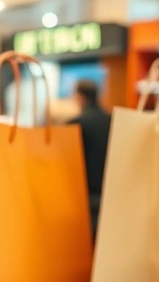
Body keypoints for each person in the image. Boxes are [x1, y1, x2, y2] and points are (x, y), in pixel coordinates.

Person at [68, 80, 111, 240]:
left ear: (79, 97)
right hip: (111, 194)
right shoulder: (112, 120)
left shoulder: (76, 124)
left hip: (85, 196)